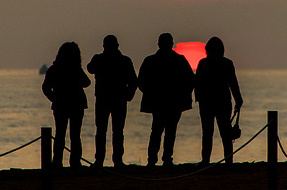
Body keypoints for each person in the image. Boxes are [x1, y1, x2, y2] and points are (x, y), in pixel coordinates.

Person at [137, 33, 195, 166]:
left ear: (159, 44)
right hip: (174, 102)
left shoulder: (150, 61)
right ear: (171, 44)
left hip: (160, 102)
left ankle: (154, 159)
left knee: (157, 131)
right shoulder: (179, 60)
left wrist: (150, 94)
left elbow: (141, 82)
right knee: (169, 131)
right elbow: (191, 80)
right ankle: (165, 158)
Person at [87, 35, 138, 167]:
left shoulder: (101, 59)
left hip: (109, 99)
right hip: (115, 99)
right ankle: (112, 160)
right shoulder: (123, 61)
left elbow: (133, 81)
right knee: (114, 131)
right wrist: (129, 95)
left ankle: (104, 160)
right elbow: (133, 81)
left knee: (106, 131)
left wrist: (129, 95)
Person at [42, 42, 91, 169]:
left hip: (61, 105)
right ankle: (75, 162)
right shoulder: (76, 69)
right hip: (76, 104)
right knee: (75, 135)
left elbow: (46, 87)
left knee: (60, 134)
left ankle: (57, 162)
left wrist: (54, 99)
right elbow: (87, 82)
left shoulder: (54, 69)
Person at [195, 37, 243, 165]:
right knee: (225, 133)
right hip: (221, 101)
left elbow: (197, 83)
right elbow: (233, 83)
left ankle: (206, 160)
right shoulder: (227, 63)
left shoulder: (203, 63)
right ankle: (228, 160)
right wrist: (238, 99)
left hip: (208, 103)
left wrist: (198, 98)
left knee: (208, 133)